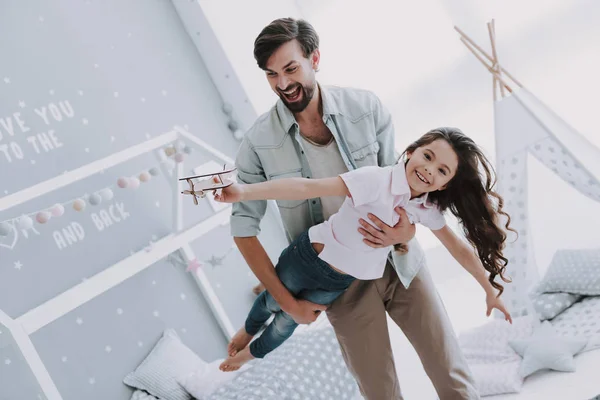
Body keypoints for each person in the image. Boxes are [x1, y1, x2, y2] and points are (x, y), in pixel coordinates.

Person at [228, 17, 481, 399]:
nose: (282, 83)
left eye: (291, 68)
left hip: (399, 261)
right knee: (379, 391)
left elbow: (409, 188)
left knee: (451, 374)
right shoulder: (258, 144)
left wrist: (407, 233)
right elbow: (243, 229)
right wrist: (289, 305)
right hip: (335, 280)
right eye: (271, 74)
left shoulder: (365, 107)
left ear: (315, 58)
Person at [217, 127, 513, 372]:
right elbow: (306, 187)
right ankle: (248, 328)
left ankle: (252, 354)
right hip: (308, 258)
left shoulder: (426, 209)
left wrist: (488, 288)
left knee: (287, 323)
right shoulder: (376, 180)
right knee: (271, 302)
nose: (428, 169)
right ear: (411, 151)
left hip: (337, 282)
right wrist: (244, 192)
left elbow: (458, 249)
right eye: (427, 156)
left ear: (444, 185)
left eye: (441, 170)